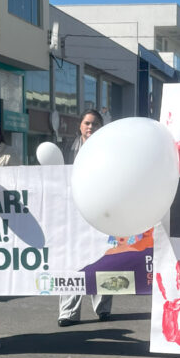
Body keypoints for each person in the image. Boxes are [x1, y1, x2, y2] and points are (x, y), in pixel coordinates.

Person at [57, 110, 112, 327]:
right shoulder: (66, 149)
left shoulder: (110, 150)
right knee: (72, 260)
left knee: (102, 257)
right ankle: (68, 312)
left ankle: (103, 308)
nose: (90, 127)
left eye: (95, 124)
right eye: (87, 123)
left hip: (101, 210)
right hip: (72, 212)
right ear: (80, 125)